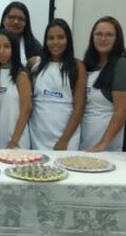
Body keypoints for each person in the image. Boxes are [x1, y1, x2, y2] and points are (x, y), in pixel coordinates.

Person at [80, 16, 126, 152]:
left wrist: (102, 144)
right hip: (84, 142)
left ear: (117, 39)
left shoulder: (124, 65)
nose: (103, 38)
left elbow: (123, 110)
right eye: (98, 34)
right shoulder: (88, 65)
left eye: (109, 35)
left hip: (109, 146)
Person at [29, 18, 86, 152]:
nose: (55, 42)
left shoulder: (77, 67)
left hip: (65, 137)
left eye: (60, 37)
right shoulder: (35, 65)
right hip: (38, 134)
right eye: (51, 38)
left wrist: (64, 139)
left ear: (68, 40)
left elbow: (79, 107)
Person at [0, 29, 32, 149]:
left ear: (15, 48)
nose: (1, 51)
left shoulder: (21, 75)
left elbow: (26, 109)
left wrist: (14, 141)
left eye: (7, 46)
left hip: (17, 140)